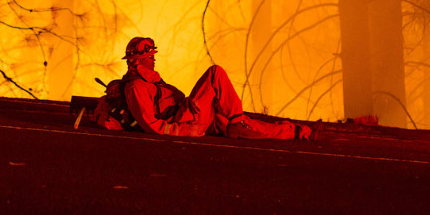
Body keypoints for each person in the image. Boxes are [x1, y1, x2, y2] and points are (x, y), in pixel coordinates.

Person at [117, 36, 314, 140]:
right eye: (150, 56)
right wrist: (184, 131)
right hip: (187, 121)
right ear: (139, 59)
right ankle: (237, 121)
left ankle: (298, 132)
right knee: (215, 73)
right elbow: (150, 124)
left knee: (252, 126)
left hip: (192, 116)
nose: (154, 60)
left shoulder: (150, 81)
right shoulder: (136, 87)